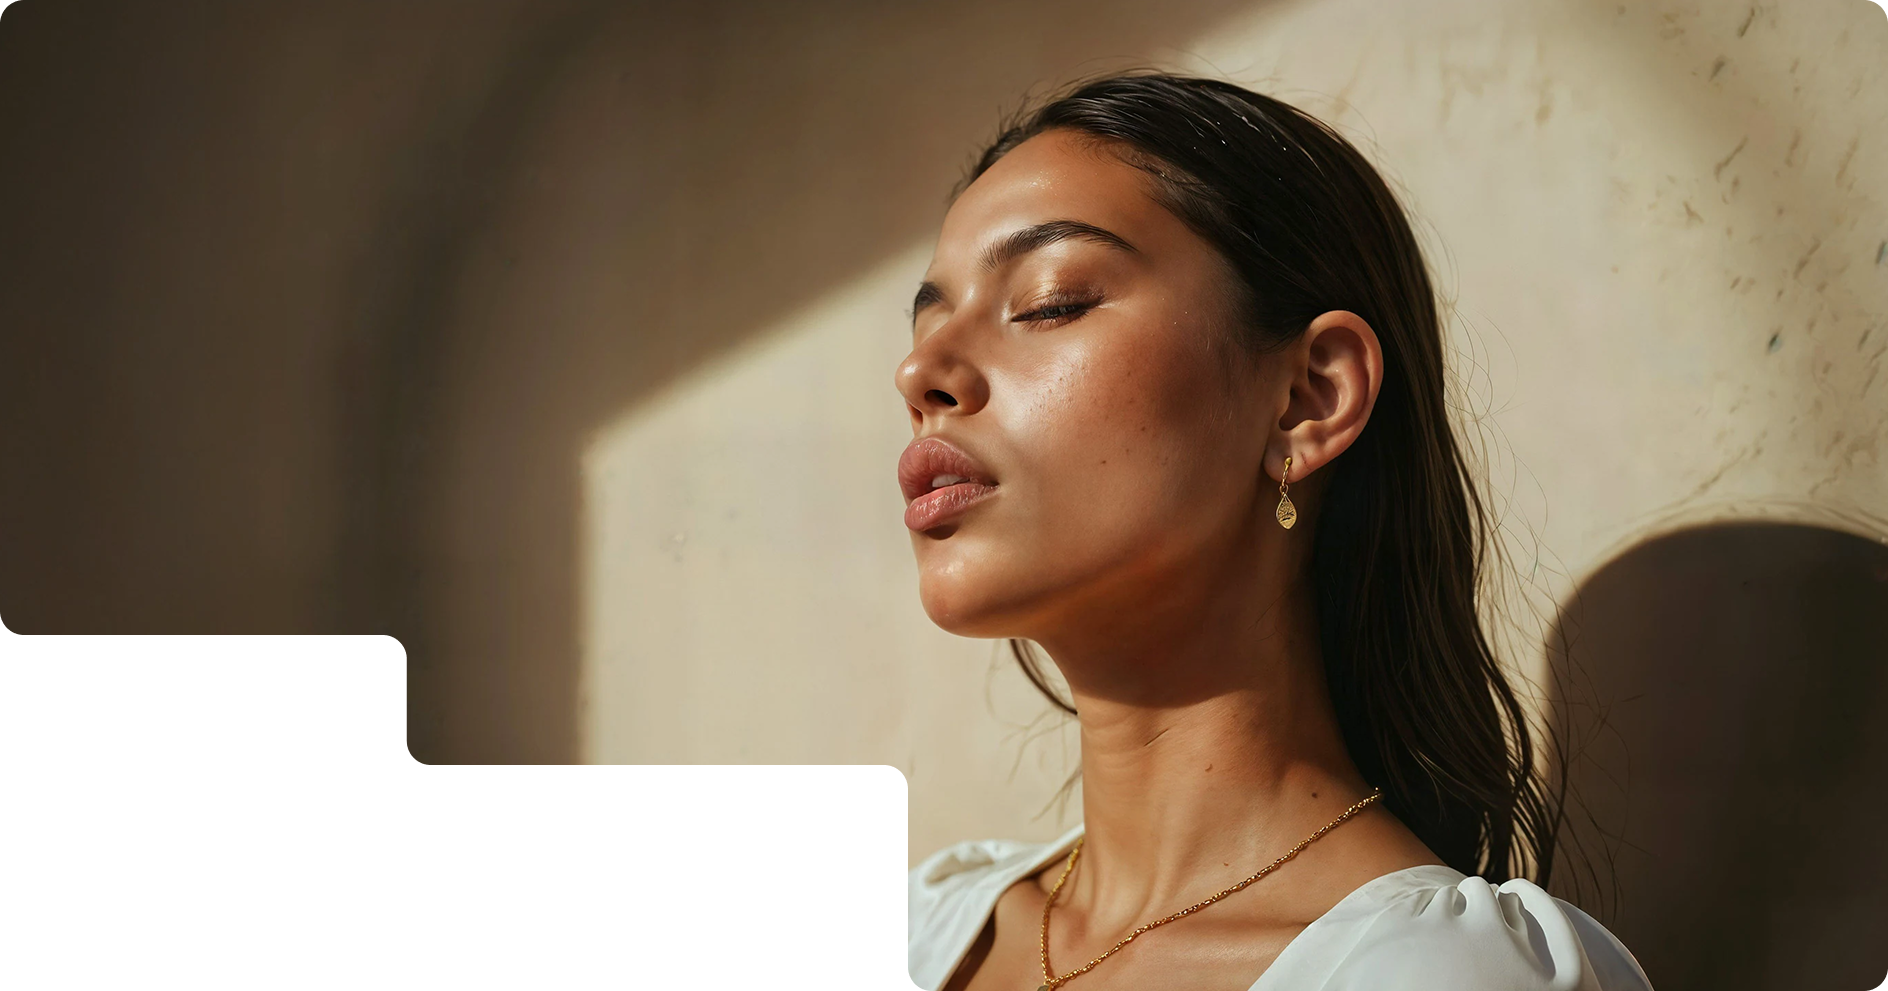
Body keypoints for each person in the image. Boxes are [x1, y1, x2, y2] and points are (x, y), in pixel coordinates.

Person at [899, 73, 1652, 991]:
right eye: (929, 323)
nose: (919, 372)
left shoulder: (1436, 974)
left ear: (1309, 397)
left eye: (1049, 300)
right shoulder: (930, 927)